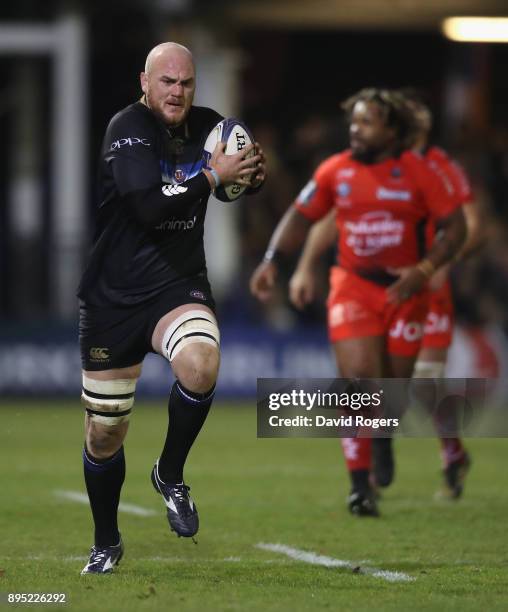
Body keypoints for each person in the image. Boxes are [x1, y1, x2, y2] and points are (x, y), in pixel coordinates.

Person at [77, 42, 266, 574]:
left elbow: (244, 176)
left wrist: (253, 173)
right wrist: (213, 177)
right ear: (145, 82)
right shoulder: (127, 129)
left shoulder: (211, 128)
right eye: (167, 81)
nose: (177, 91)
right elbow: (145, 206)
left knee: (201, 363)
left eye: (186, 82)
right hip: (113, 296)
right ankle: (106, 540)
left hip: (176, 285)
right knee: (105, 431)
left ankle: (170, 473)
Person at [250, 88, 465, 516]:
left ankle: (382, 436)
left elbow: (455, 228)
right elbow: (300, 216)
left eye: (366, 122)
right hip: (352, 287)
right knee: (358, 384)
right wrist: (274, 260)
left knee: (393, 393)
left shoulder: (419, 173)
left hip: (405, 291)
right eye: (354, 121)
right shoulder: (336, 171)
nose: (355, 129)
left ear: (391, 130)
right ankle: (358, 486)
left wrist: (423, 270)